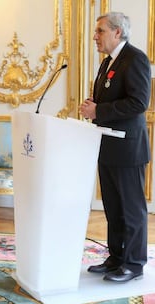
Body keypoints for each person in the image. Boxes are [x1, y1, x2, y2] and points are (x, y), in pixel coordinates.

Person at [80, 12, 151, 283]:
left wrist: (99, 109)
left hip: (128, 148)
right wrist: (93, 106)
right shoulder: (108, 62)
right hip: (107, 146)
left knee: (131, 210)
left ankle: (133, 264)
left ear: (117, 32)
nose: (95, 36)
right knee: (113, 208)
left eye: (100, 31)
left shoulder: (135, 59)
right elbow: (108, 98)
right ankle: (116, 258)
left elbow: (138, 103)